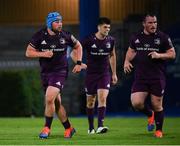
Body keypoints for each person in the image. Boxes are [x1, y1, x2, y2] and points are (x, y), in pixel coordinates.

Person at [25, 11, 83, 139]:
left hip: (60, 72)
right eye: (57, 22)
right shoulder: (39, 36)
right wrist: (43, 54)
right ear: (49, 23)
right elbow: (28, 53)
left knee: (49, 98)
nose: (60, 24)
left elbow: (78, 46)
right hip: (46, 73)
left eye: (61, 21)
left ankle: (46, 128)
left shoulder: (66, 35)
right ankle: (69, 128)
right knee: (56, 104)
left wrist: (78, 63)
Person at [123, 13, 176, 138]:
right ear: (144, 24)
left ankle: (159, 130)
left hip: (157, 77)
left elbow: (172, 54)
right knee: (136, 103)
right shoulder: (136, 37)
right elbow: (131, 50)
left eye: (155, 22)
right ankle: (150, 114)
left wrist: (159, 55)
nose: (153, 25)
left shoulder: (162, 37)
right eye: (150, 23)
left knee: (157, 104)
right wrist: (126, 61)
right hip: (141, 76)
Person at [76, 17, 118, 134]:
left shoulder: (111, 40)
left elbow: (112, 55)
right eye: (105, 27)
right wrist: (79, 63)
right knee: (90, 101)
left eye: (109, 27)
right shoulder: (89, 40)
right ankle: (91, 128)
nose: (107, 29)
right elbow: (76, 49)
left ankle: (100, 125)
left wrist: (114, 73)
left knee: (102, 98)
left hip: (104, 74)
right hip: (91, 75)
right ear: (98, 27)